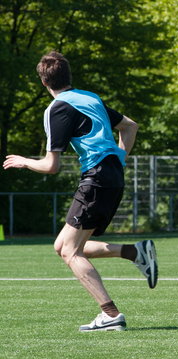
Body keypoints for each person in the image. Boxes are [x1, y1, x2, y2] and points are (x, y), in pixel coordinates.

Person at [3, 51, 158, 331]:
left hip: (96, 179)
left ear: (43, 82)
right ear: (69, 76)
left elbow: (52, 166)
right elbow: (130, 126)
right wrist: (119, 158)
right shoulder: (90, 98)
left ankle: (110, 315)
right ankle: (135, 253)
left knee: (70, 252)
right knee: (62, 246)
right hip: (110, 175)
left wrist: (23, 161)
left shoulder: (58, 108)